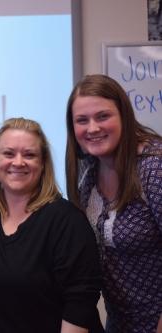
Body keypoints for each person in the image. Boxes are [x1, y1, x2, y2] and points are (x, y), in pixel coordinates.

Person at [0, 117, 104, 333]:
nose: (18, 162)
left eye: (29, 155)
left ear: (43, 164)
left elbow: (80, 303)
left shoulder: (66, 221)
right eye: (8, 153)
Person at [65, 74, 162, 333]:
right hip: (119, 323)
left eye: (103, 116)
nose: (92, 128)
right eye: (82, 120)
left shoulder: (154, 167)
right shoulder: (86, 171)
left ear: (124, 115)